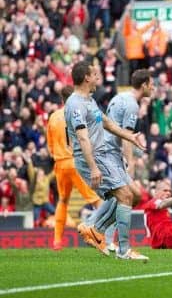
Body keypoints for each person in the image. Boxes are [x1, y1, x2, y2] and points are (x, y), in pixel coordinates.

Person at [64, 61, 148, 261]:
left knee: (132, 195)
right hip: (94, 158)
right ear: (86, 77)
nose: (98, 78)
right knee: (125, 196)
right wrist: (93, 167)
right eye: (95, 74)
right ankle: (123, 249)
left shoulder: (89, 101)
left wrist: (130, 137)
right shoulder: (75, 104)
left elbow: (107, 123)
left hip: (104, 155)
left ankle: (96, 229)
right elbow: (82, 138)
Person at [91, 69, 154, 254]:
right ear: (143, 85)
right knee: (132, 194)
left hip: (105, 149)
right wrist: (131, 163)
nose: (153, 87)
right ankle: (95, 228)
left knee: (124, 195)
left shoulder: (121, 96)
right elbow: (127, 137)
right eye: (151, 84)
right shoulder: (132, 105)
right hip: (111, 153)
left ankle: (105, 236)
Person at [47, 85, 102, 250]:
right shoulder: (77, 113)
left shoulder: (53, 117)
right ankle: (102, 236)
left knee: (63, 200)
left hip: (60, 164)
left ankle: (57, 241)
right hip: (76, 161)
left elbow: (49, 146)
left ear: (61, 100)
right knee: (96, 200)